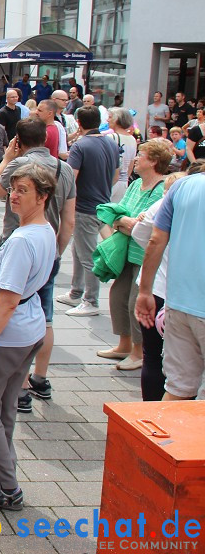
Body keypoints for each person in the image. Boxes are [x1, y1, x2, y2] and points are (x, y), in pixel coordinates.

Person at [0, 163, 57, 510]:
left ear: (43, 196)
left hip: (8, 334)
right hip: (26, 329)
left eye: (23, 191)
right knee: (2, 406)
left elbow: (7, 299)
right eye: (13, 189)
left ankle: (5, 487)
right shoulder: (44, 230)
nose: (13, 196)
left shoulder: (23, 239)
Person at [0, 116, 77, 413]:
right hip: (49, 246)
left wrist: (8, 157)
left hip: (18, 245)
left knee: (12, 306)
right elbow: (69, 219)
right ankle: (41, 378)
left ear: (17, 141)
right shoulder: (65, 168)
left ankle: (20, 389)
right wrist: (56, 251)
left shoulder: (19, 167)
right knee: (44, 315)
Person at [95, 141, 170, 372]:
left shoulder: (161, 188)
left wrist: (125, 222)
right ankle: (124, 345)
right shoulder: (136, 183)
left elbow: (144, 224)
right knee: (118, 296)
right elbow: (121, 215)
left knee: (133, 303)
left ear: (154, 161)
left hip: (144, 254)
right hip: (127, 249)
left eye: (142, 155)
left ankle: (139, 352)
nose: (136, 158)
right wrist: (124, 222)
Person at [135, 165, 205, 400]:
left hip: (178, 305)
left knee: (177, 388)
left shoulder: (184, 185)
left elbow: (155, 240)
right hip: (187, 305)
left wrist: (145, 291)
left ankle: (161, 437)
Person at [59, 106, 120, 317]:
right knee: (79, 250)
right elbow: (116, 174)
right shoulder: (111, 143)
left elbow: (71, 177)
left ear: (79, 123)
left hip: (85, 206)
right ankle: (77, 291)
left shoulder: (80, 146)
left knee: (87, 255)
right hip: (102, 203)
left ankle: (91, 300)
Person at [131, 172, 186, 400]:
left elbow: (142, 234)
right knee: (180, 364)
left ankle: (151, 415)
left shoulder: (168, 200)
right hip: (178, 293)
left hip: (158, 289)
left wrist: (160, 251)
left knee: (153, 356)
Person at [106, 108, 139, 201]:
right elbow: (131, 164)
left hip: (110, 181)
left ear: (117, 119)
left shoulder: (111, 137)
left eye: (110, 117)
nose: (107, 120)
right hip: (124, 182)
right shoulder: (132, 139)